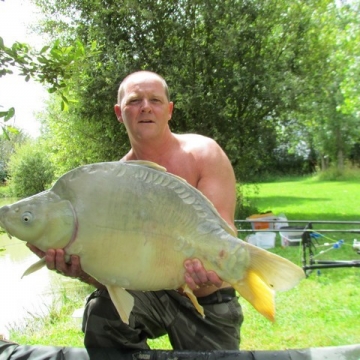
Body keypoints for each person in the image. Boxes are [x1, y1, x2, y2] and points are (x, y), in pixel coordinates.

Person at [27, 71, 243, 351]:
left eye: (155, 99)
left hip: (208, 296)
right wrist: (81, 270)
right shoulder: (112, 181)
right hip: (148, 294)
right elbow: (114, 274)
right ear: (119, 113)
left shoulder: (204, 154)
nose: (145, 107)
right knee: (100, 314)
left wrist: (215, 268)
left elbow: (226, 235)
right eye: (134, 101)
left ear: (169, 110)